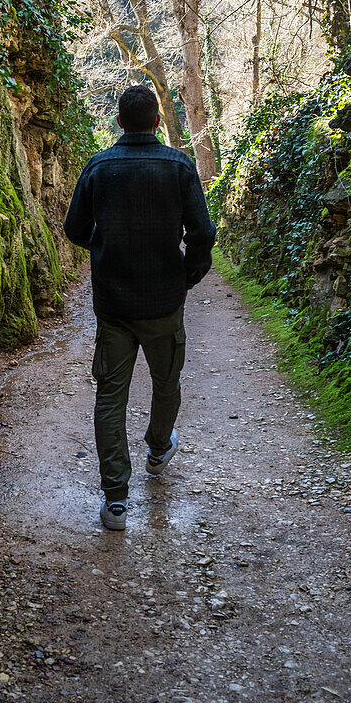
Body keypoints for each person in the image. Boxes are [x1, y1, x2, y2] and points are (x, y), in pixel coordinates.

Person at [64, 85, 216, 530]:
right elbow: (202, 231)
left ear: (118, 122)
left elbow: (75, 228)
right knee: (166, 381)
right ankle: (157, 448)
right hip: (164, 299)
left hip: (114, 303)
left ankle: (115, 501)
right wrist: (192, 269)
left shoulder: (99, 166)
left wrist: (103, 246)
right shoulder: (179, 165)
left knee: (111, 394)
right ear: (156, 122)